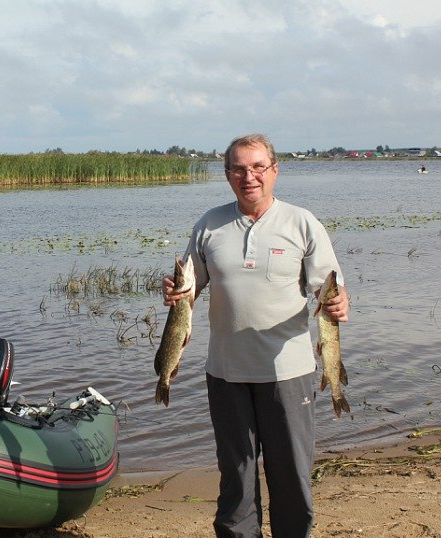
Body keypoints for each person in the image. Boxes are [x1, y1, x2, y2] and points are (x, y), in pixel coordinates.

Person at [163, 133, 349, 537]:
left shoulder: (302, 222)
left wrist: (338, 303)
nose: (249, 176)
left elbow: (328, 288)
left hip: (289, 372)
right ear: (227, 174)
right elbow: (189, 290)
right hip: (226, 374)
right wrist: (177, 294)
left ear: (274, 171)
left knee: (291, 477)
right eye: (239, 169)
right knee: (236, 479)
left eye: (258, 167)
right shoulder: (208, 224)